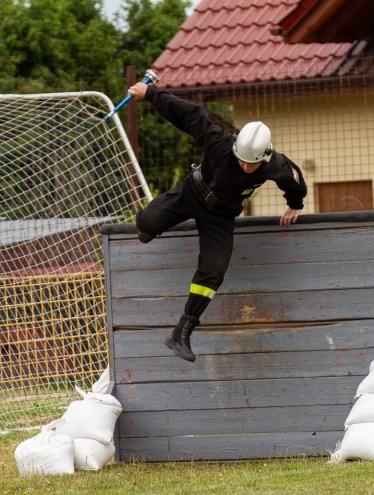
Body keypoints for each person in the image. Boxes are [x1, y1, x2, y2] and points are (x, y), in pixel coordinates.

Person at [127, 81, 307, 363]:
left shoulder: (275, 164)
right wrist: (150, 93)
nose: (245, 166)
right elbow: (189, 114)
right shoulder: (220, 142)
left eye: (251, 164)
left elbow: (294, 179)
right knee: (148, 221)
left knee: (214, 271)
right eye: (241, 160)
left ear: (265, 157)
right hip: (193, 192)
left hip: (221, 215)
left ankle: (182, 332)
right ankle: (148, 228)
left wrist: (295, 204)